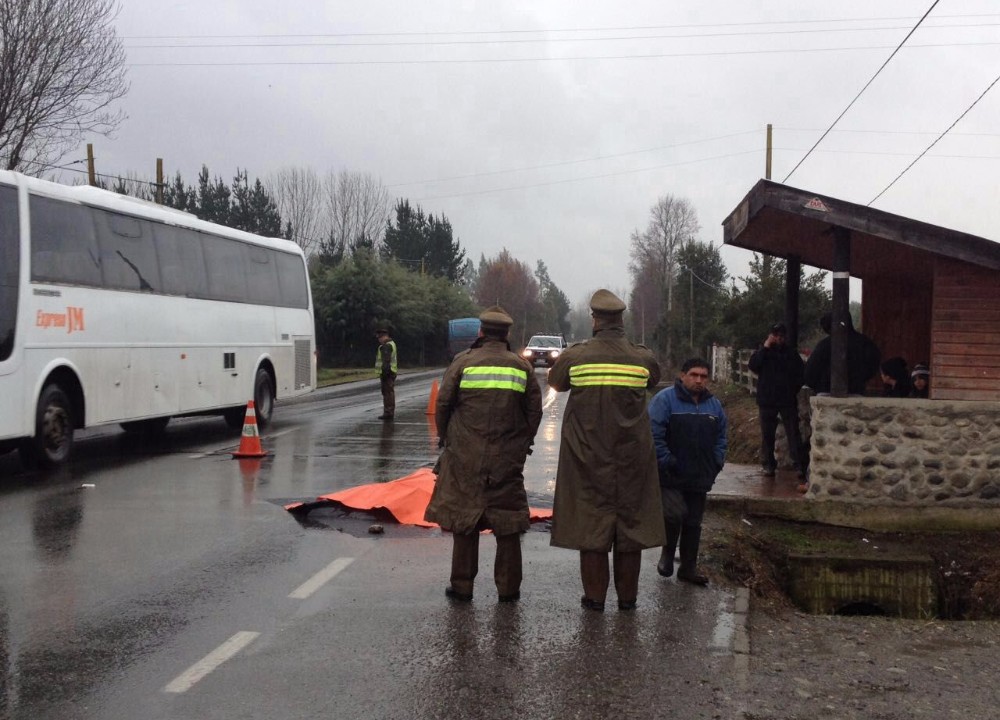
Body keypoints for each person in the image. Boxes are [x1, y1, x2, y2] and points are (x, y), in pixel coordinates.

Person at [548, 289, 664, 612]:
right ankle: (628, 601)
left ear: (595, 320)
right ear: (622, 320)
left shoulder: (576, 356)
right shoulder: (643, 358)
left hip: (587, 459)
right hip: (632, 460)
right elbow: (655, 378)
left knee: (592, 529)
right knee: (631, 530)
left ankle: (594, 599)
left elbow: (556, 383)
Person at [424, 306, 542, 603]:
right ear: (507, 334)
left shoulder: (463, 363)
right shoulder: (521, 367)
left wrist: (447, 438)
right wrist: (522, 445)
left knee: (465, 519)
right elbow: (533, 412)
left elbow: (444, 404)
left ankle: (462, 586)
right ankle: (508, 589)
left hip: (466, 456)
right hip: (506, 459)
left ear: (480, 332)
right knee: (509, 523)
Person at [648, 358, 728, 586]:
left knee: (694, 521)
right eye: (694, 375)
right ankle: (667, 553)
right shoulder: (665, 400)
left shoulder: (714, 406)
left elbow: (722, 437)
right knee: (673, 514)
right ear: (683, 375)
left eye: (703, 376)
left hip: (701, 474)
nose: (699, 380)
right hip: (671, 473)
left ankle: (688, 568)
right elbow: (653, 434)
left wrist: (716, 461)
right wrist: (666, 460)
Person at [748, 322, 805, 477]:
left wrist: (793, 389)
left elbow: (801, 373)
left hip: (787, 399)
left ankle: (799, 465)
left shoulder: (791, 354)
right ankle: (768, 465)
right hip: (767, 400)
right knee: (767, 434)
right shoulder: (763, 352)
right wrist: (765, 347)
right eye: (776, 335)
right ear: (771, 336)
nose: (779, 338)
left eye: (781, 336)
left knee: (793, 433)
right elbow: (753, 365)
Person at [803, 312, 881, 395]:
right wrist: (858, 380)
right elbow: (873, 365)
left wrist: (820, 386)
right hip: (856, 391)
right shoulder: (866, 343)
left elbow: (810, 372)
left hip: (826, 392)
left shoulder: (825, 345)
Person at [374, 328, 397, 420]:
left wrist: (384, 373)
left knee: (388, 393)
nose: (379, 340)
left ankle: (388, 412)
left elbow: (386, 361)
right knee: (389, 393)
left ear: (384, 337)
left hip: (387, 373)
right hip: (391, 372)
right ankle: (388, 411)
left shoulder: (386, 346)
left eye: (379, 338)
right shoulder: (392, 344)